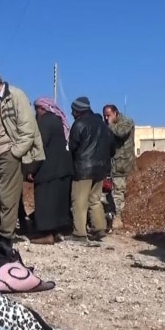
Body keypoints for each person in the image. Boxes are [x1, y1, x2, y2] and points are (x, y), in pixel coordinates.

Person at [0, 69, 44, 252]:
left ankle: (5, 239)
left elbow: (28, 129)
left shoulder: (16, 96)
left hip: (8, 154)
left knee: (7, 197)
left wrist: (15, 153)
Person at [29, 98, 73, 244]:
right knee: (58, 203)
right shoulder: (57, 121)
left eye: (37, 109)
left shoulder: (45, 122)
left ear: (42, 108)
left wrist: (31, 169)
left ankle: (47, 234)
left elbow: (39, 148)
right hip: (63, 168)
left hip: (49, 169)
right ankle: (58, 231)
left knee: (46, 202)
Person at [68, 97, 112, 242]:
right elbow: (111, 147)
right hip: (101, 169)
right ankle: (99, 228)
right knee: (95, 200)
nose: (71, 113)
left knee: (79, 201)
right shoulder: (102, 124)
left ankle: (79, 233)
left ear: (77, 110)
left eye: (73, 110)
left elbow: (73, 147)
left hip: (83, 169)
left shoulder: (79, 124)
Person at [103, 104, 136, 230]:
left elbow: (122, 133)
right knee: (107, 192)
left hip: (122, 163)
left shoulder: (126, 122)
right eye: (105, 116)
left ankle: (118, 218)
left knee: (118, 191)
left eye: (109, 115)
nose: (106, 118)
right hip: (110, 163)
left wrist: (110, 125)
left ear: (115, 113)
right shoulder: (107, 124)